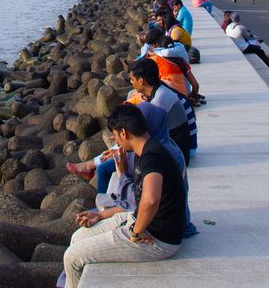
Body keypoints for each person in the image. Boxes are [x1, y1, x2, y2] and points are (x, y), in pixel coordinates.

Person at [63, 104, 186, 288]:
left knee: (72, 257)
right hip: (142, 222)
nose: (114, 140)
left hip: (159, 238)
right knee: (78, 237)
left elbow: (151, 199)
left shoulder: (151, 156)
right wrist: (100, 215)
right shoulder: (142, 151)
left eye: (114, 134)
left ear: (124, 133)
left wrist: (136, 231)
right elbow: (136, 204)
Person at [128, 58, 194, 162]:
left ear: (141, 80)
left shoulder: (159, 99)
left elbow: (142, 134)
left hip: (176, 155)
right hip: (176, 149)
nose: (131, 82)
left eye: (132, 79)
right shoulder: (160, 90)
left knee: (104, 167)